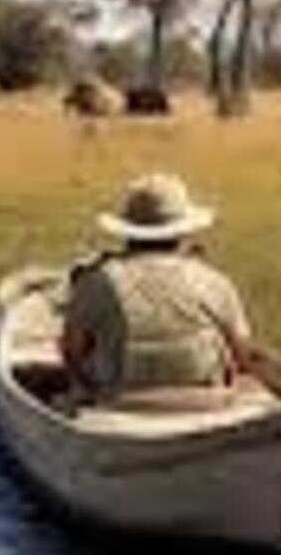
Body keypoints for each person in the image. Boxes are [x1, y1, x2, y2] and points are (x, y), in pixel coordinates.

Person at [61, 174, 253, 408]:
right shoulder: (213, 281)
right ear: (181, 232)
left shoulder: (97, 281)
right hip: (205, 401)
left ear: (127, 232)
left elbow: (72, 352)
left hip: (118, 401)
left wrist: (81, 386)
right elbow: (242, 354)